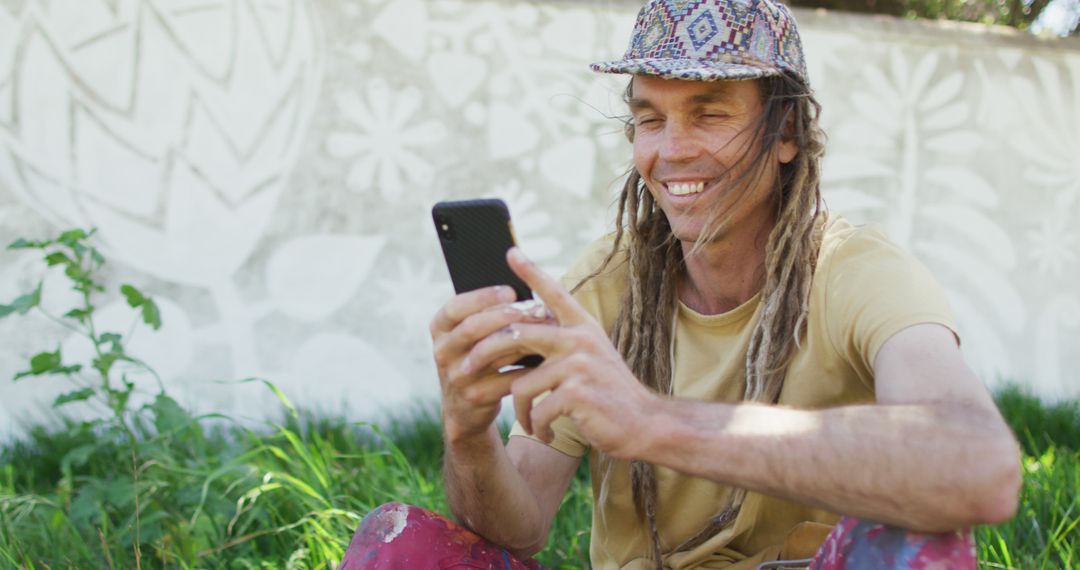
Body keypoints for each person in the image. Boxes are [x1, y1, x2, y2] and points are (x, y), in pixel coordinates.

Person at [340, 0, 1022, 568]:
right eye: (649, 117)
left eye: (710, 112)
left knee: (914, 533)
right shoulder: (604, 285)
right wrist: (467, 432)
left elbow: (981, 468)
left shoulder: (856, 271)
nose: (671, 150)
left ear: (786, 131)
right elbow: (516, 530)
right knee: (402, 543)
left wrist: (652, 422)